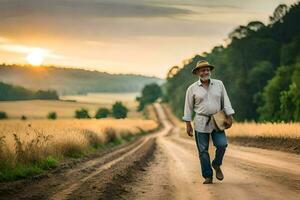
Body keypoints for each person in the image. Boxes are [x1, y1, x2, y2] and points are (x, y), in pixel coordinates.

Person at [182, 60, 235, 184]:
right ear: (197, 73)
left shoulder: (219, 84)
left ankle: (216, 164)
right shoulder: (192, 89)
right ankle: (208, 176)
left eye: (207, 69)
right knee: (203, 150)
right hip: (200, 121)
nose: (206, 72)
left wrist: (230, 116)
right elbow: (188, 107)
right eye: (203, 70)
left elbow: (225, 101)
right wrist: (188, 124)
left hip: (218, 120)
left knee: (222, 145)